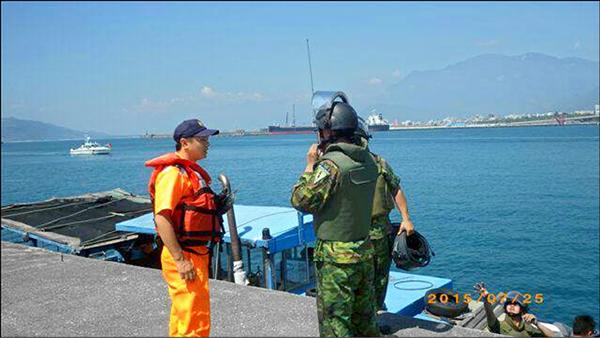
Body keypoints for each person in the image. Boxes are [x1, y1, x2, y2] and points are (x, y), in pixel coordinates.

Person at [291, 99, 380, 337]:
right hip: (364, 249)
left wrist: (310, 166)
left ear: (328, 131)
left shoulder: (331, 166)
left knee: (336, 324)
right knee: (365, 321)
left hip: (335, 258)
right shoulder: (370, 161)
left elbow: (302, 200)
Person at [145, 119, 222, 337]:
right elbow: (162, 217)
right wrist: (180, 260)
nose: (207, 144)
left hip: (195, 253)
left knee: (185, 315)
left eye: (207, 140)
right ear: (184, 142)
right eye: (202, 140)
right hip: (185, 254)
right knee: (193, 319)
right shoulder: (173, 174)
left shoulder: (190, 173)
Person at [355, 121, 415, 313]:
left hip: (380, 230)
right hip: (353, 233)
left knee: (380, 278)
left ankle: (375, 317)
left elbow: (396, 188)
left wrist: (405, 218)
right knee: (358, 279)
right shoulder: (338, 166)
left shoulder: (379, 163)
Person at [476, 284, 555, 337]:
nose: (511, 306)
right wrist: (486, 299)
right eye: (509, 304)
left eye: (515, 304)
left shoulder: (528, 328)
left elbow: (552, 336)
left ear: (522, 309)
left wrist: (537, 323)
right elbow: (490, 315)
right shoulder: (499, 326)